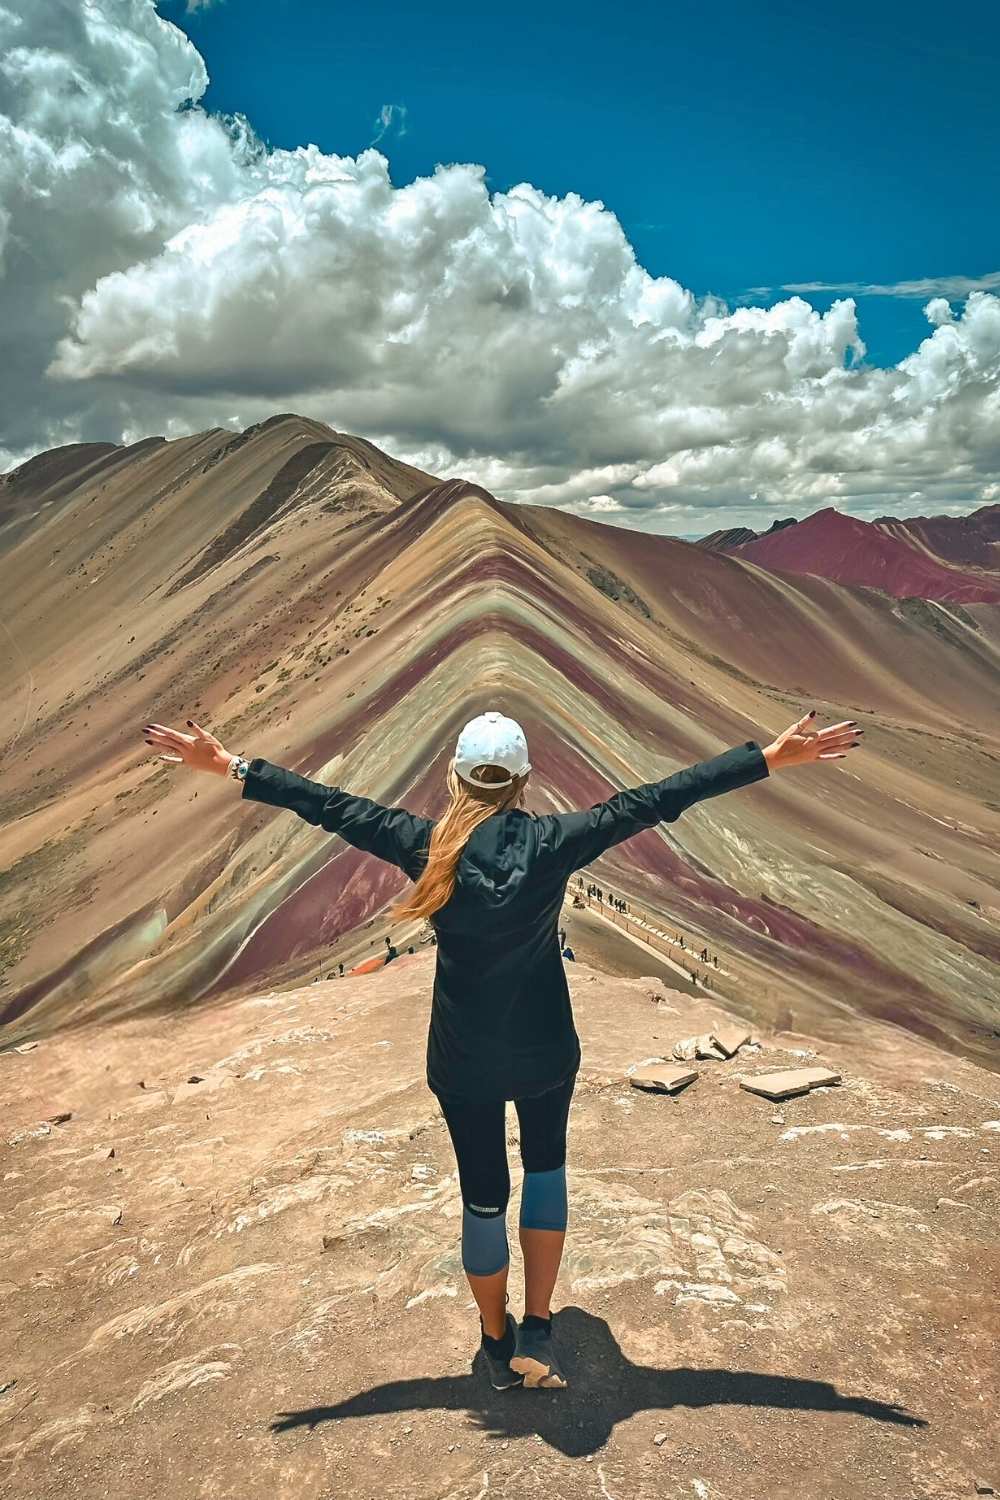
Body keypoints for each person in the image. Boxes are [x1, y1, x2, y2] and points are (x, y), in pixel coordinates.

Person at [141, 706, 861, 1391]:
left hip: (463, 1061)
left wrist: (234, 765)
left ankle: (495, 1343)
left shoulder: (422, 842)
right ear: (523, 783)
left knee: (482, 1199)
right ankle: (540, 1330)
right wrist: (767, 757)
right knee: (545, 1173)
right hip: (546, 1048)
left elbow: (326, 803)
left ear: (454, 779)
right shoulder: (555, 843)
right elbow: (657, 799)